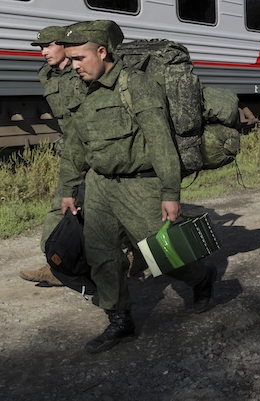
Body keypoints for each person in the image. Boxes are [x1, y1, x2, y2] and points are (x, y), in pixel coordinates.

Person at [57, 20, 217, 353]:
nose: (74, 66)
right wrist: (68, 188)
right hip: (98, 186)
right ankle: (120, 322)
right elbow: (74, 144)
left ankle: (202, 277)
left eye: (80, 58)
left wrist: (170, 193)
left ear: (102, 52)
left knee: (167, 254)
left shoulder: (136, 85)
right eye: (70, 59)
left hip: (140, 186)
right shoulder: (79, 89)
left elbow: (160, 143)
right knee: (102, 258)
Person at [18, 26, 84, 287]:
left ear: (65, 46)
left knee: (110, 211)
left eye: (48, 45)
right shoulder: (48, 74)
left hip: (96, 149)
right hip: (73, 150)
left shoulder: (82, 71)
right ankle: (55, 265)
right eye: (40, 47)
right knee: (61, 206)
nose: (43, 52)